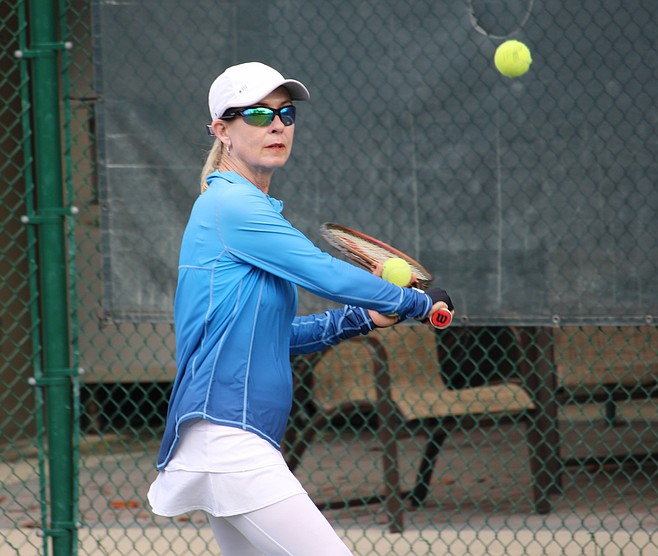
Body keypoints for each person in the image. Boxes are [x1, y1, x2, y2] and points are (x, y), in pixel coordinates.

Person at [147, 61, 453, 555]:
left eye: (285, 114)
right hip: (229, 440)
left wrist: (361, 318)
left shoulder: (248, 209)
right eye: (257, 113)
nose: (276, 125)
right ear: (221, 130)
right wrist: (416, 303)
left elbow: (272, 336)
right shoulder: (231, 206)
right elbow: (322, 271)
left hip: (233, 438)